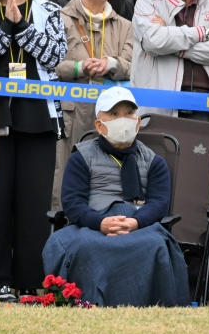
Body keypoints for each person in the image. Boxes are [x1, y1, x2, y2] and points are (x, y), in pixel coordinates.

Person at [43, 87, 189, 307]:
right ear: (99, 125)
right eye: (114, 114)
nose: (123, 120)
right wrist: (101, 223)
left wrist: (134, 222)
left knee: (157, 244)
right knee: (83, 245)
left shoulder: (154, 161)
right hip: (93, 225)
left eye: (129, 113)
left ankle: (150, 306)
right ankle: (88, 304)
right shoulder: (81, 157)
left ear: (138, 122)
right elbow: (73, 203)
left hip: (138, 226)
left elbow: (159, 204)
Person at [0, 0, 66, 302]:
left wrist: (24, 27)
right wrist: (6, 27)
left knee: (34, 204)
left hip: (39, 117)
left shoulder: (49, 9)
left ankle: (31, 281)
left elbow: (55, 56)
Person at [53, 0, 132, 210]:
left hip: (109, 117)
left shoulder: (126, 26)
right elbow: (48, 65)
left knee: (105, 180)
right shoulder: (58, 19)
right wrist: (79, 67)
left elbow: (134, 66)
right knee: (62, 179)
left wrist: (111, 64)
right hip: (69, 113)